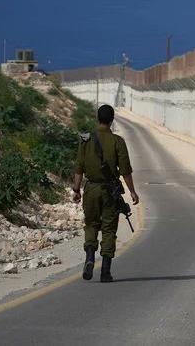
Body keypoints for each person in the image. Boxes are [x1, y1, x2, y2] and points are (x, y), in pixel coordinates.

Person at [72, 104, 139, 282]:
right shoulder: (118, 141)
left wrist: (76, 189)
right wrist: (132, 192)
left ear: (97, 118)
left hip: (91, 189)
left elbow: (79, 167)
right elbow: (125, 170)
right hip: (110, 191)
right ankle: (105, 272)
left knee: (91, 224)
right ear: (112, 120)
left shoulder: (85, 140)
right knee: (109, 229)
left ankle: (90, 258)